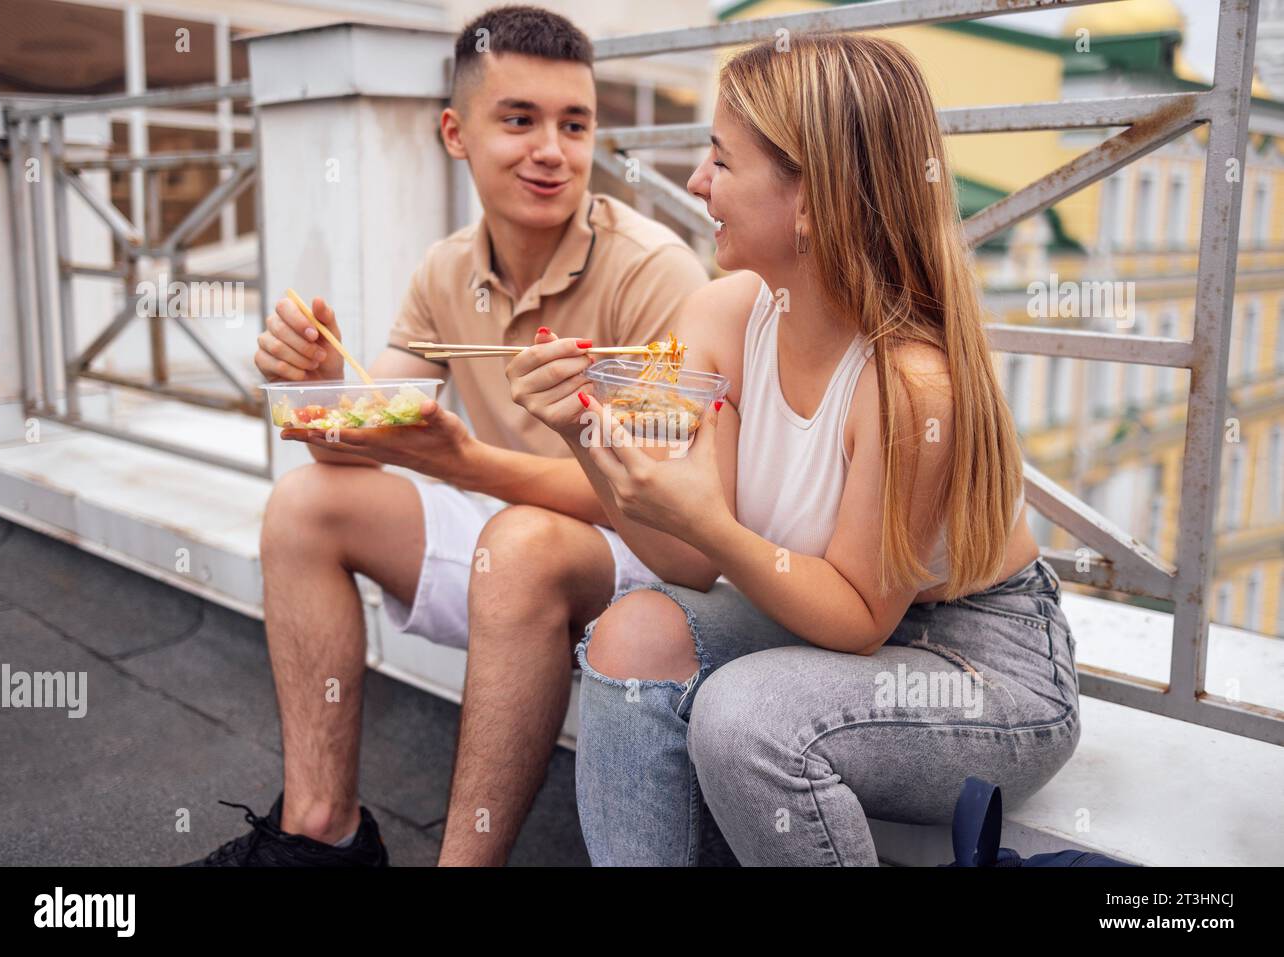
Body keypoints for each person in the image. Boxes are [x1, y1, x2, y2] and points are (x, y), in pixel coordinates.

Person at [504, 32, 1080, 866]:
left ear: (811, 198)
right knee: (631, 631)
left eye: (720, 160)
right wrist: (582, 429)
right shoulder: (726, 314)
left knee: (746, 717)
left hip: (980, 664)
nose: (696, 183)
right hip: (827, 626)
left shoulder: (910, 383)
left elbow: (855, 615)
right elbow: (686, 559)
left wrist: (719, 527)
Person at [185, 5, 707, 867]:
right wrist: (316, 386)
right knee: (307, 503)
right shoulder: (447, 269)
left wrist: (465, 462)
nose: (552, 150)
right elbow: (356, 440)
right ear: (455, 132)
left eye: (574, 124)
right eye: (519, 119)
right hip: (516, 528)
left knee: (523, 542)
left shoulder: (655, 270)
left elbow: (666, 504)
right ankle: (324, 835)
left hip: (645, 554)